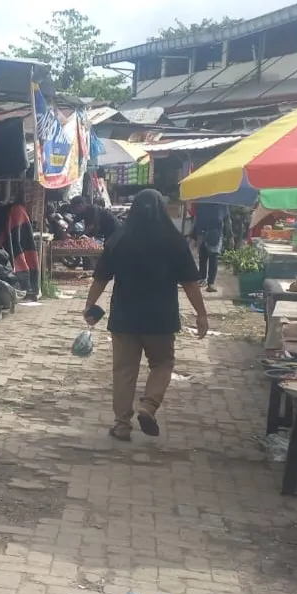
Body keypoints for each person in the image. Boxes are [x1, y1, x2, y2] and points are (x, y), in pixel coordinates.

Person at [83, 189, 209, 441]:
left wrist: (90, 305)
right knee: (162, 364)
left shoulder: (119, 239)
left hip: (124, 317)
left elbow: (100, 278)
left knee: (124, 371)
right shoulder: (173, 240)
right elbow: (190, 283)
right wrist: (201, 314)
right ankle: (148, 405)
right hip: (161, 318)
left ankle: (122, 425)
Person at [190, 202, 228, 292]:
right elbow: (196, 219)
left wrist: (229, 236)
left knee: (212, 257)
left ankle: (209, 282)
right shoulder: (203, 203)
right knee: (204, 256)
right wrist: (193, 235)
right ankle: (204, 279)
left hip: (213, 233)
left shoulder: (221, 204)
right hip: (203, 232)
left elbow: (226, 220)